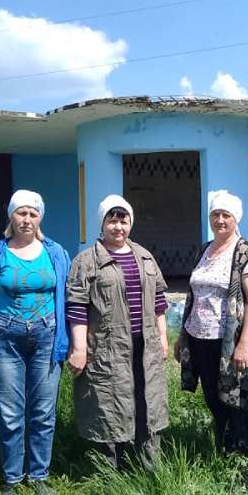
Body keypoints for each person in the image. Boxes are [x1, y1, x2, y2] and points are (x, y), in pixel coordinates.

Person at [0, 189, 70, 495]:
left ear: (40, 218)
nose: (26, 219)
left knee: (43, 411)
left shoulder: (55, 253)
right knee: (11, 413)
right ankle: (11, 479)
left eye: (32, 213)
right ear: (11, 216)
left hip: (47, 338)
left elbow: (68, 293)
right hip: (5, 340)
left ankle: (39, 477)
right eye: (21, 213)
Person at [66, 195, 170, 471]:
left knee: (145, 399)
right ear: (102, 224)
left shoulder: (145, 256)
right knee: (109, 401)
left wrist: (162, 336)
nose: (118, 227)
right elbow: (77, 307)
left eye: (123, 220)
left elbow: (159, 300)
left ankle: (148, 466)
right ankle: (110, 470)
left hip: (143, 345)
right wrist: (79, 348)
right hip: (107, 347)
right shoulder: (87, 261)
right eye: (112, 220)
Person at [175, 190, 248, 469]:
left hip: (229, 340)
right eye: (215, 214)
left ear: (236, 218)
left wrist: (244, 344)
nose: (220, 220)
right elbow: (193, 295)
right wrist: (181, 337)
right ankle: (225, 450)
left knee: (239, 398)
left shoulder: (245, 253)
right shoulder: (205, 249)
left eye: (226, 215)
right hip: (199, 336)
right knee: (214, 397)